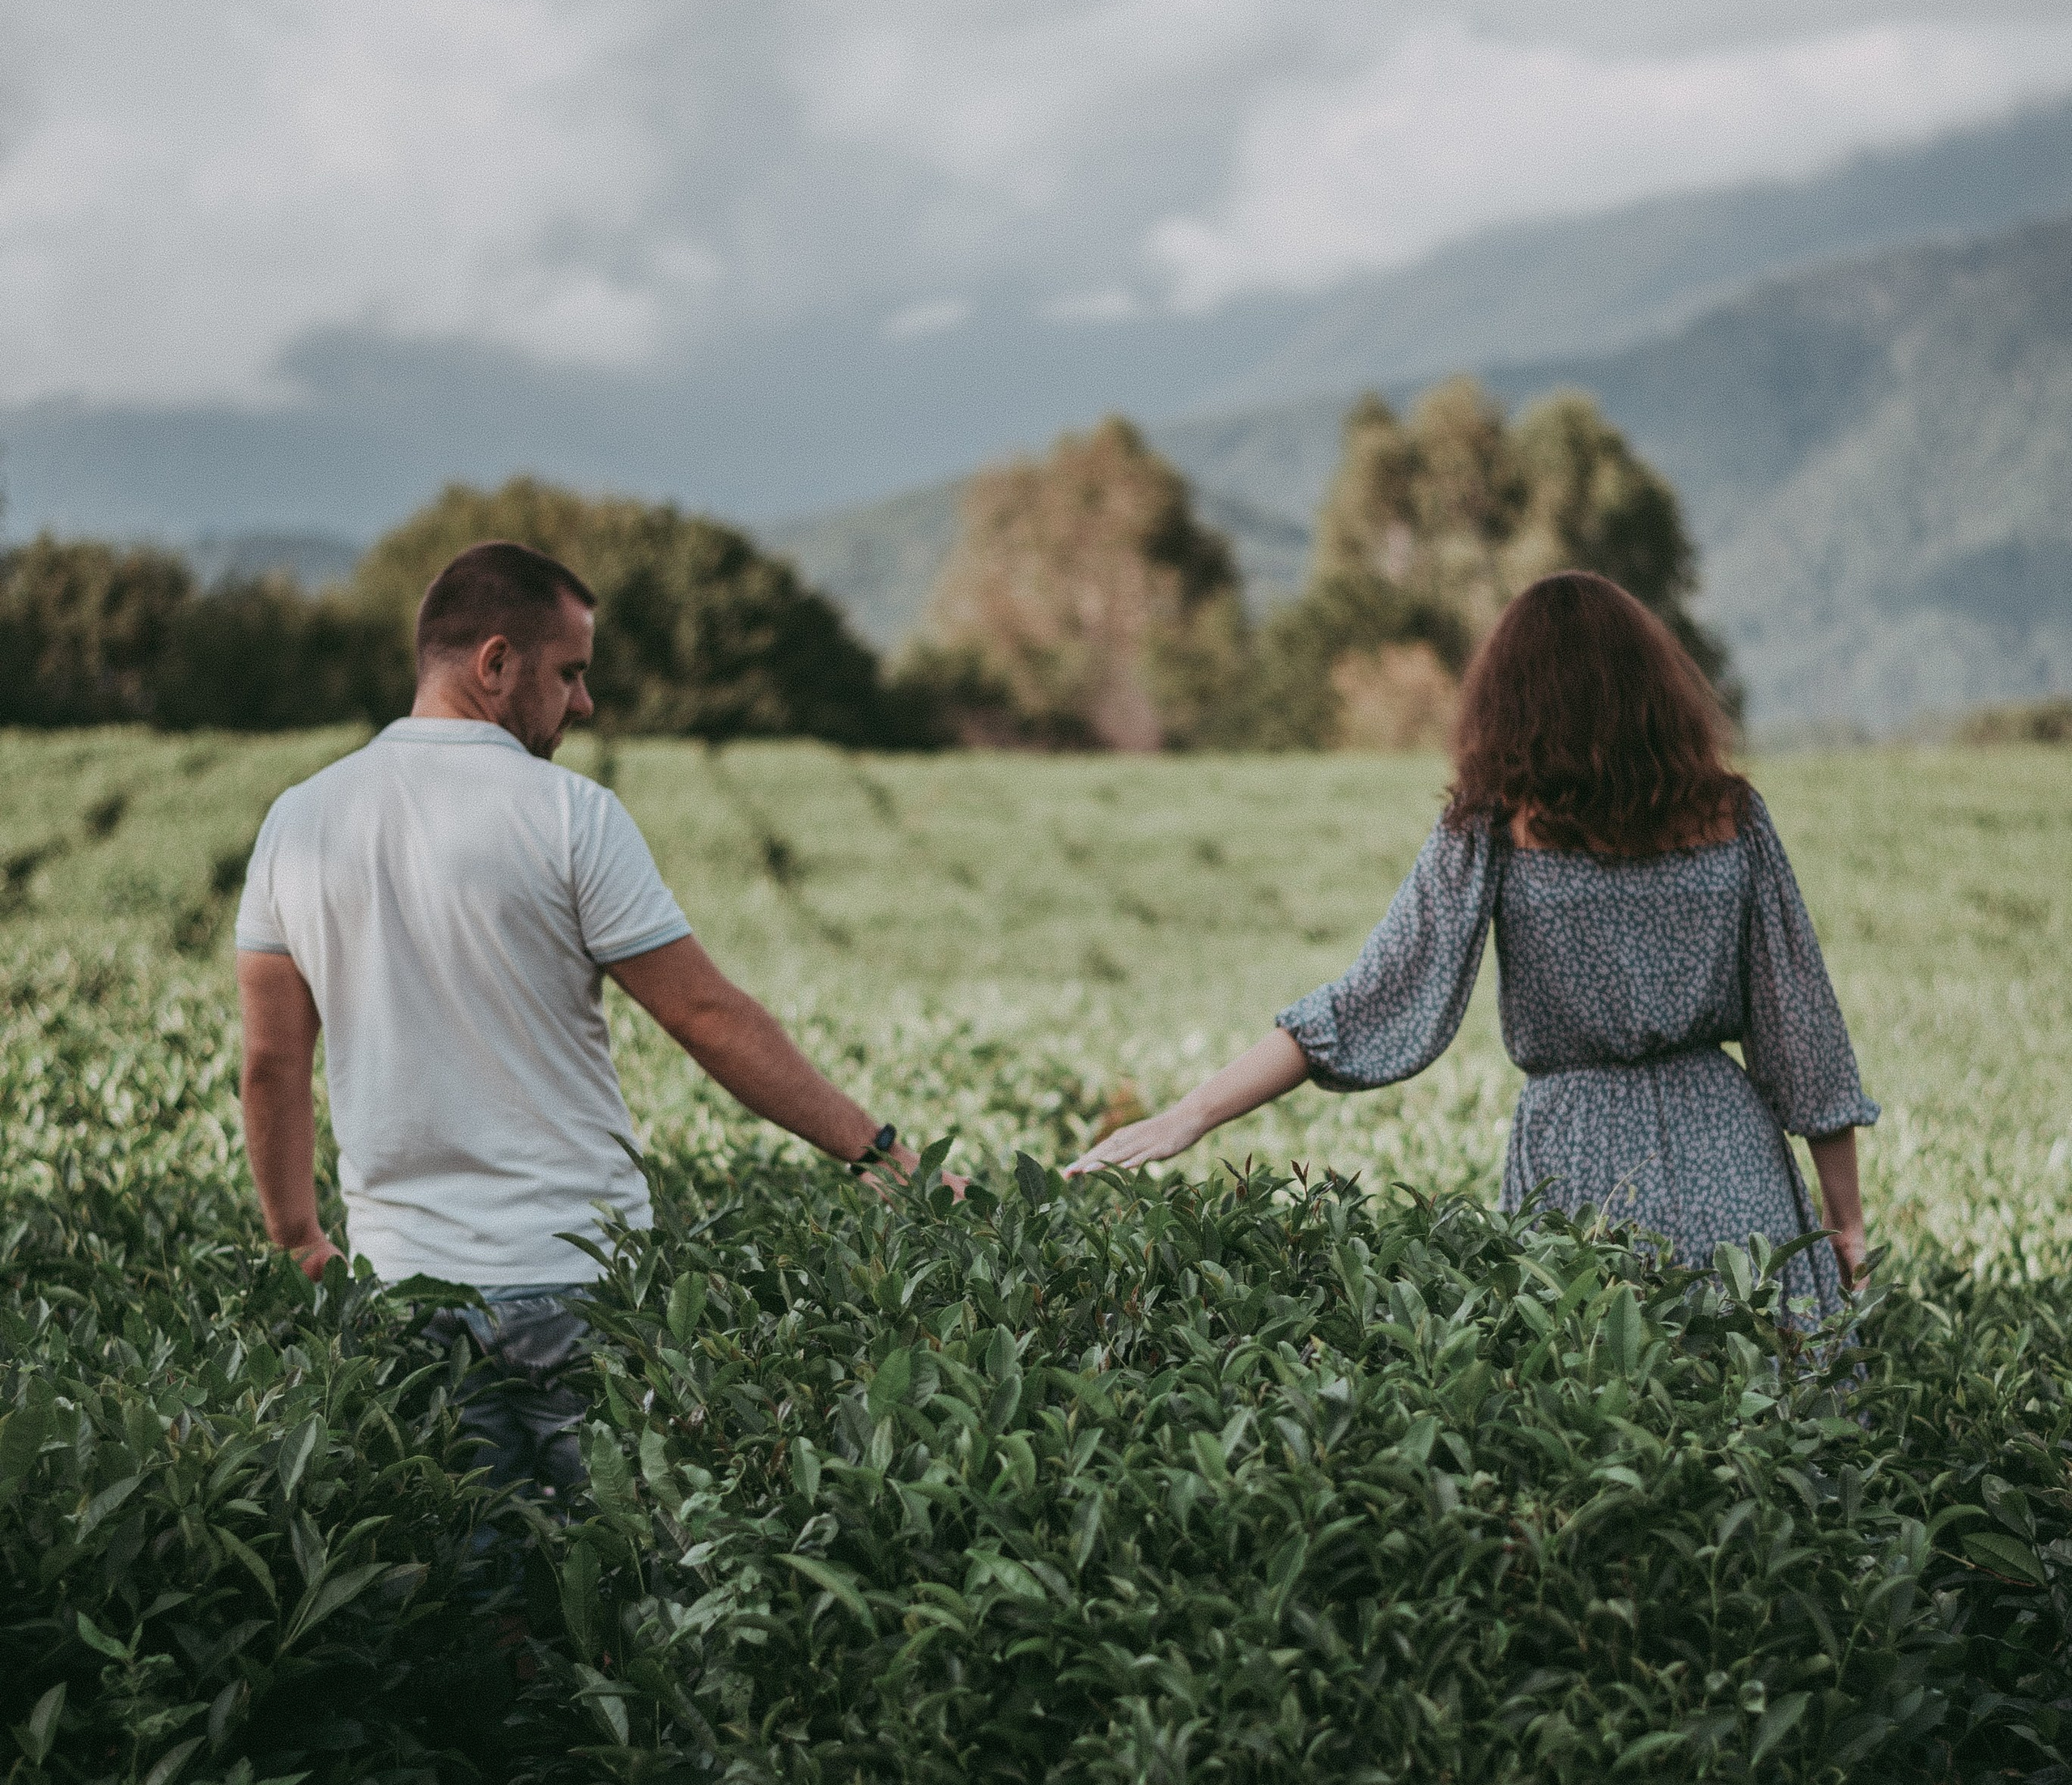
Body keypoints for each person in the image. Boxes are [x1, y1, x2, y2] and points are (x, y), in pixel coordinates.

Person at [234, 538, 919, 1502]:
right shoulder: (571, 815)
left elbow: (270, 1062)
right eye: (570, 673)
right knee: (624, 1584)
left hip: (401, 1283)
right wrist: (875, 1149)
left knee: (470, 1599)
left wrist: (299, 1237)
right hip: (576, 1278)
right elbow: (707, 1016)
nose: (584, 705)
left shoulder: (296, 821)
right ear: (495, 663)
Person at [1071, 571, 1876, 1319]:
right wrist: (1846, 1223)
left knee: (1603, 1408)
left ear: (1512, 699)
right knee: (1771, 1410)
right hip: (1732, 1155)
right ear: (1653, 689)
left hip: (1580, 1154)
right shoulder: (1731, 815)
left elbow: (1368, 1003)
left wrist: (1191, 1114)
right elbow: (1799, 1031)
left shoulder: (1493, 824)